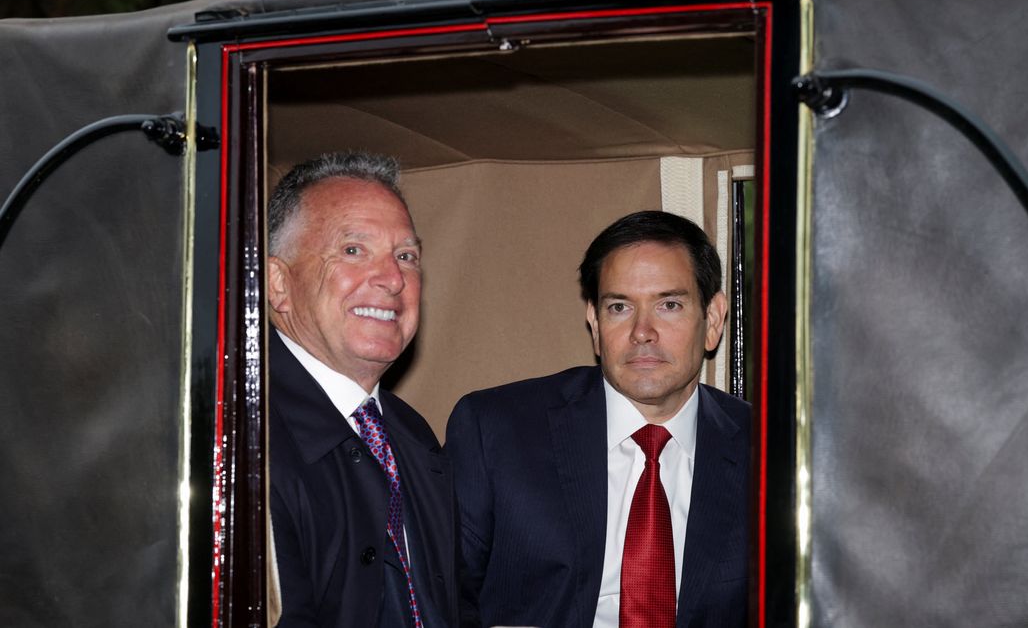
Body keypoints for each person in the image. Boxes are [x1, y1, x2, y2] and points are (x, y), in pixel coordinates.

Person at [446, 210, 749, 628]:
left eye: (670, 305)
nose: (643, 331)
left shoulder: (767, 451)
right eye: (620, 307)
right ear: (594, 322)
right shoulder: (497, 431)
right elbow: (437, 595)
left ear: (713, 320)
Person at [266, 152, 457, 628]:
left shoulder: (410, 434)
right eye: (353, 250)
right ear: (277, 284)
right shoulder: (241, 438)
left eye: (406, 256)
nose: (393, 279)